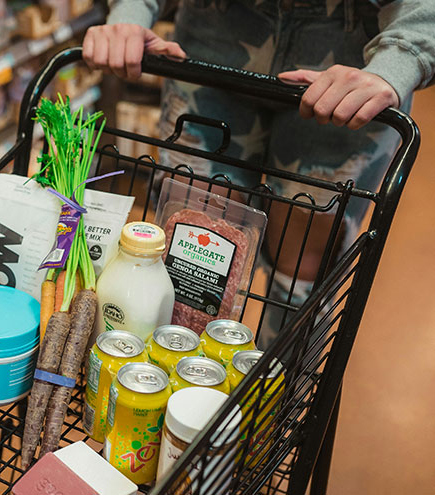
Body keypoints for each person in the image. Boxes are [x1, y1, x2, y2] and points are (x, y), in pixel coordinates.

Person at [83, 0, 435, 347]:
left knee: (304, 269)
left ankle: (274, 394)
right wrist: (130, 13)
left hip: (352, 58)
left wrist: (398, 61)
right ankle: (177, 382)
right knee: (192, 246)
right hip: (213, 35)